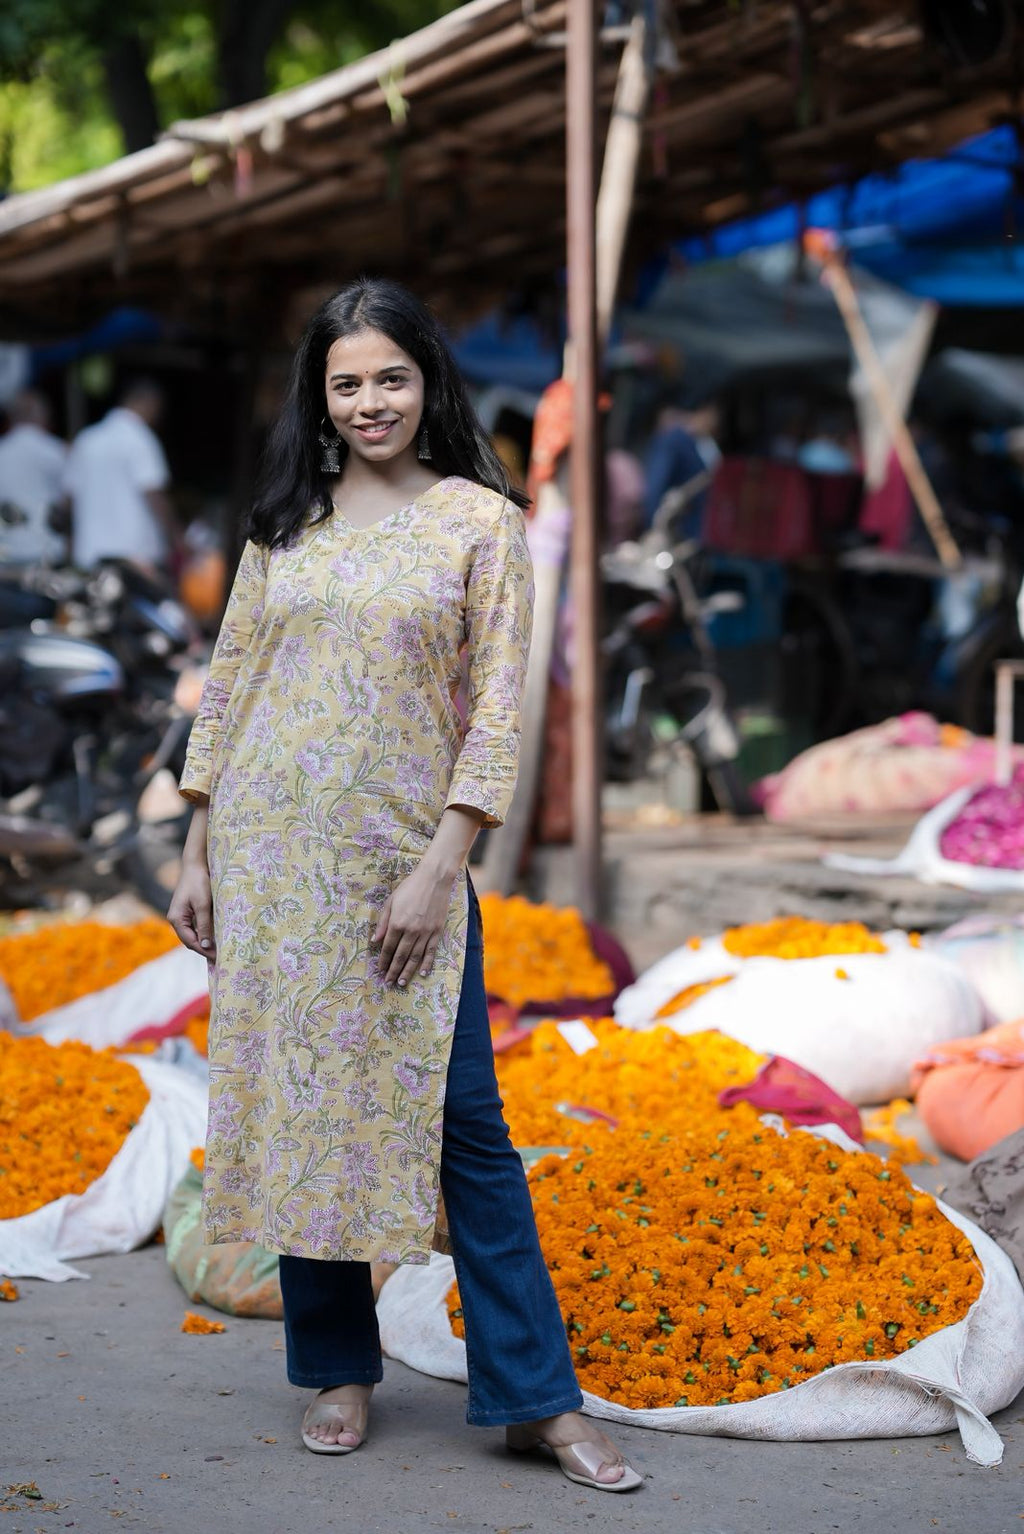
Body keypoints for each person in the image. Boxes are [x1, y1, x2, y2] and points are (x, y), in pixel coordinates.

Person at [167, 278, 641, 1492]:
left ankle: (536, 1396)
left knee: (466, 1126)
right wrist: (196, 844)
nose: (369, 400)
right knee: (305, 1104)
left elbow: (498, 708)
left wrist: (447, 860)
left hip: (402, 869)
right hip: (272, 863)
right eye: (346, 381)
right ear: (318, 400)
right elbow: (227, 685)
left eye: (389, 376)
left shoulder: (480, 522)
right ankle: (338, 1367)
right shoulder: (286, 523)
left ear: (426, 381)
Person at [63, 378, 178, 573]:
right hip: (133, 561)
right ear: (149, 403)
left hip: (88, 557)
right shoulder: (141, 439)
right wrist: (176, 537)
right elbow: (154, 494)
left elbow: (67, 500)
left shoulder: (86, 440)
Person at [0, 389, 67, 565]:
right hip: (46, 549)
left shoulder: (3, 451)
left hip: (5, 551)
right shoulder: (55, 451)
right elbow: (69, 498)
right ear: (42, 417)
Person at [643, 391, 720, 537]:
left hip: (696, 529)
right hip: (678, 530)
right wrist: (654, 527)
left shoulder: (701, 442)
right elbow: (655, 485)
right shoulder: (674, 441)